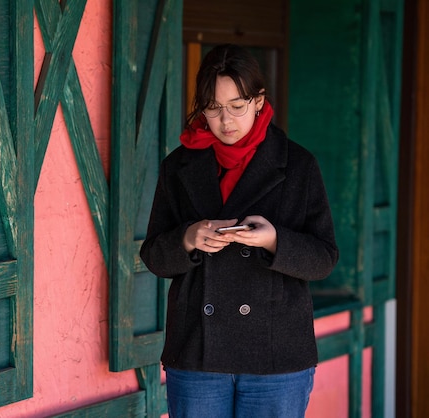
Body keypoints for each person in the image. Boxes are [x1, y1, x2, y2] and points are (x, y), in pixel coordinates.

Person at [139, 44, 339, 418]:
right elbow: (153, 255)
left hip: (275, 356)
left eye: (237, 106)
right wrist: (188, 239)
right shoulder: (179, 166)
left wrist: (274, 241)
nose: (225, 120)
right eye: (213, 108)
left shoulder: (297, 165)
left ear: (259, 101)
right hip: (198, 352)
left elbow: (324, 258)